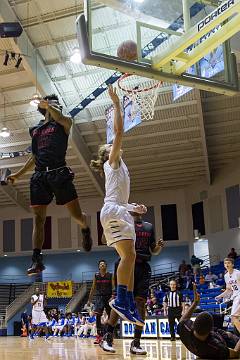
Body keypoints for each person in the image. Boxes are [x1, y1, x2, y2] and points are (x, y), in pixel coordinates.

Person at [7, 94, 92, 276]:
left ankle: (85, 227)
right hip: (39, 176)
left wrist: (49, 106)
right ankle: (37, 259)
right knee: (38, 219)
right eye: (53, 104)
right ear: (45, 108)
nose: (56, 106)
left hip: (59, 172)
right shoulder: (36, 130)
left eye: (56, 104)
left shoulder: (64, 123)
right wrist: (18, 175)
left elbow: (60, 116)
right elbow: (35, 157)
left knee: (76, 215)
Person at [90, 85, 146, 324]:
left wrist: (134, 208)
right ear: (108, 153)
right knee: (129, 256)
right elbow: (119, 131)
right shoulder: (111, 162)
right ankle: (121, 298)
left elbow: (120, 196)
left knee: (131, 257)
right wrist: (116, 104)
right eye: (112, 146)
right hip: (113, 211)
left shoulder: (121, 167)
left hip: (120, 210)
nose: (117, 145)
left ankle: (128, 300)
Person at [100, 212, 164, 354]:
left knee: (141, 303)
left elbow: (153, 250)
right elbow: (104, 239)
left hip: (143, 266)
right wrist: (106, 225)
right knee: (120, 302)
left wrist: (158, 247)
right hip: (126, 264)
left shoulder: (149, 226)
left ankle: (136, 343)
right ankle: (107, 337)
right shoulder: (123, 223)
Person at [178, 283, 240, 359]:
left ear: (193, 325)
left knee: (228, 333)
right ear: (210, 330)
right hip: (229, 343)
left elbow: (182, 321)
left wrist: (195, 303)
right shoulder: (216, 347)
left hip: (206, 348)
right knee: (231, 335)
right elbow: (235, 353)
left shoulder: (185, 330)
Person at [87, 260, 114, 344]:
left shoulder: (110, 275)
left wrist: (113, 296)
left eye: (103, 264)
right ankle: (99, 337)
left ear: (106, 266)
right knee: (98, 316)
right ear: (99, 267)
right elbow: (93, 288)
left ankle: (110, 336)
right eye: (101, 264)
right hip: (99, 297)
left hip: (108, 297)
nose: (102, 265)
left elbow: (113, 286)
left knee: (111, 316)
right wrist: (89, 299)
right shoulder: (96, 275)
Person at [215, 258, 240, 334]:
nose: (227, 264)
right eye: (225, 263)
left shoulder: (237, 273)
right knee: (234, 319)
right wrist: (219, 296)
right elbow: (229, 290)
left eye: (229, 263)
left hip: (239, 295)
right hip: (235, 296)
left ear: (232, 264)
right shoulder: (226, 276)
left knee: (234, 317)